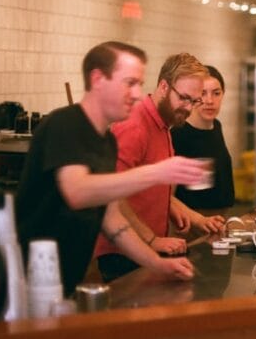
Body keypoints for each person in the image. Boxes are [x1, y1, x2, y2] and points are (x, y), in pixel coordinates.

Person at [15, 41, 207, 296]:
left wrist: (157, 264)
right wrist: (156, 172)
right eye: (130, 83)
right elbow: (77, 191)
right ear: (98, 79)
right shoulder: (65, 123)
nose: (137, 94)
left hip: (65, 279)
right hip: (27, 277)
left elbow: (113, 219)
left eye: (139, 84)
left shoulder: (106, 142)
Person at [94, 53, 225, 282]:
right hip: (123, 252)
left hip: (148, 248)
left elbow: (151, 186)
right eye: (184, 98)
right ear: (164, 86)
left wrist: (196, 219)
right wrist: (151, 239)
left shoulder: (164, 124)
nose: (188, 107)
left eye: (194, 101)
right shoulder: (135, 126)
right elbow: (112, 195)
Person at [172, 65, 235, 211]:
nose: (209, 101)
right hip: (193, 220)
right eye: (202, 93)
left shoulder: (216, 126)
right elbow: (168, 197)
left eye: (216, 93)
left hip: (221, 215)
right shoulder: (178, 134)